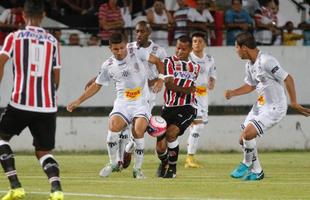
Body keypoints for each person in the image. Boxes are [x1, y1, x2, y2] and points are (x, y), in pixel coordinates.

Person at [67, 32, 165, 179]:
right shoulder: (108, 65)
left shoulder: (137, 52)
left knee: (138, 131)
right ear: (110, 49)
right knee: (113, 127)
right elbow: (97, 85)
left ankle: (137, 170)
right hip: (123, 103)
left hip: (141, 101)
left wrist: (161, 79)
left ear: (126, 45)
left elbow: (159, 62)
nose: (119, 51)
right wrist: (78, 101)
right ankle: (113, 163)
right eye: (115, 49)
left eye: (121, 48)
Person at [224, 32, 310, 181]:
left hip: (275, 107)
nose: (235, 50)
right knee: (243, 140)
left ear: (244, 47)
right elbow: (250, 85)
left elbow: (288, 78)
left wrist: (294, 102)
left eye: (236, 47)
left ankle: (246, 163)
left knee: (248, 134)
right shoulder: (249, 65)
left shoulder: (266, 60)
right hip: (261, 105)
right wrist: (233, 93)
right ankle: (257, 171)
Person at [0, 0, 64, 199]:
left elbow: (1, 63)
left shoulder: (14, 37)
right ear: (43, 15)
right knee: (44, 151)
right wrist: (48, 96)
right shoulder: (53, 41)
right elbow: (56, 78)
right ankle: (56, 190)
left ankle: (16, 185)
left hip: (20, 101)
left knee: (1, 138)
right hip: (47, 105)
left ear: (24, 16)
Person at [121, 21, 168, 169]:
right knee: (127, 126)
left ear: (149, 32)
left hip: (148, 95)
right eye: (137, 31)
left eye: (142, 31)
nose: (139, 34)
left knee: (138, 127)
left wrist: (160, 80)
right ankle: (129, 147)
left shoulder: (159, 50)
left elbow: (165, 69)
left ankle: (129, 148)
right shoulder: (129, 47)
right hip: (129, 93)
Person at [156, 35, 200, 178]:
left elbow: (192, 88)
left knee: (171, 133)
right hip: (168, 108)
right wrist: (187, 90)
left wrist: (190, 91)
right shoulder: (168, 62)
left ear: (190, 50)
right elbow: (169, 84)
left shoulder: (195, 67)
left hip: (188, 107)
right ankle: (164, 162)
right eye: (178, 48)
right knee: (160, 147)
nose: (180, 51)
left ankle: (172, 169)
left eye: (184, 49)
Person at [185, 32, 216, 168]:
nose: (196, 43)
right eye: (194, 41)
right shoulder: (188, 58)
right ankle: (189, 158)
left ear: (205, 43)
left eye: (199, 41)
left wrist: (212, 80)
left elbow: (212, 74)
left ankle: (189, 156)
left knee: (196, 127)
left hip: (204, 95)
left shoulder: (209, 59)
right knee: (198, 126)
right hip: (192, 95)